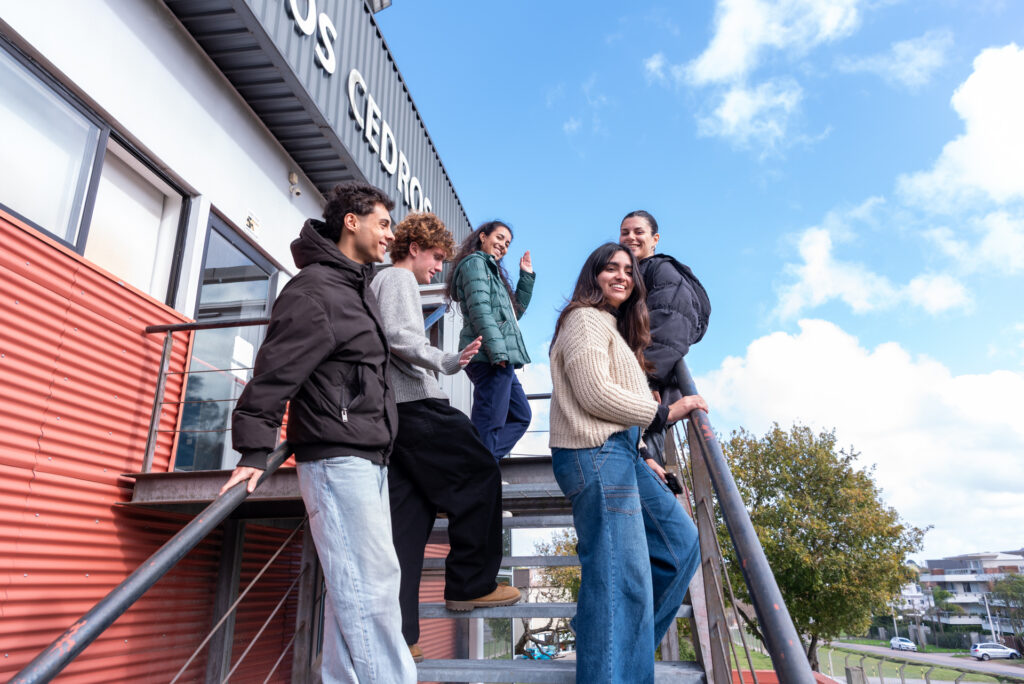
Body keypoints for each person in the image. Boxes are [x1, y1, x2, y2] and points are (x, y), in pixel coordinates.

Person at [221, 181, 415, 683]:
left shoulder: (356, 288)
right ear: (352, 221)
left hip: (366, 458)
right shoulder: (315, 291)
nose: (390, 235)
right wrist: (253, 450)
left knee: (352, 599)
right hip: (337, 459)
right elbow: (274, 371)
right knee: (371, 593)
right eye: (384, 223)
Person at [369, 212, 522, 662]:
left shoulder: (378, 283)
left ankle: (400, 637)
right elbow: (399, 336)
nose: (438, 267)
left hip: (392, 415)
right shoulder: (397, 280)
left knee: (407, 526)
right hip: (416, 404)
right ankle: (470, 584)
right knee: (479, 470)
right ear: (413, 248)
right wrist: (446, 361)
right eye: (436, 257)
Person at [548, 242, 704, 683]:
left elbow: (612, 401)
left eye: (628, 271)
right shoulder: (584, 319)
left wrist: (640, 451)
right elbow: (594, 393)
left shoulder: (612, 329)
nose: (621, 276)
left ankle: (610, 644)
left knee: (679, 547)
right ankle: (610, 659)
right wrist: (661, 414)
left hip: (621, 452)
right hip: (593, 454)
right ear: (592, 276)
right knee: (622, 578)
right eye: (610, 269)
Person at [619, 210, 711, 466]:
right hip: (627, 388)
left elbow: (671, 325)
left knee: (643, 465)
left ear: (655, 238)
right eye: (625, 232)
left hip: (647, 389)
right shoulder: (629, 276)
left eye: (639, 232)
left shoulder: (661, 271)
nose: (631, 237)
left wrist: (648, 379)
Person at [446, 220, 535, 461]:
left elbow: (512, 316)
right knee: (491, 423)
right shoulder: (476, 264)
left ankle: (479, 464)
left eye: (507, 243)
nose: (503, 246)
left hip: (498, 355)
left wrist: (525, 278)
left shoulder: (492, 272)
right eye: (499, 238)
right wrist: (498, 354)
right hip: (491, 357)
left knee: (520, 415)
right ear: (483, 237)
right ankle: (479, 469)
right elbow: (480, 311)